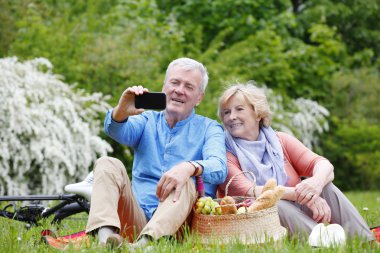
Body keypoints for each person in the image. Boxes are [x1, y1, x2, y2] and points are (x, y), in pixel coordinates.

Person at [86, 58, 227, 248]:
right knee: (107, 163)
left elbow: (219, 167)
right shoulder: (146, 119)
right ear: (164, 86)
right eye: (175, 82)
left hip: (179, 227)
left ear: (199, 97)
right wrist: (121, 111)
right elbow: (116, 130)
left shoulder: (210, 128)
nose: (179, 90)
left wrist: (189, 167)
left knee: (185, 180)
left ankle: (142, 247)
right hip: (136, 217)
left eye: (189, 86)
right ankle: (105, 242)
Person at [217, 82, 374, 242]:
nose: (231, 117)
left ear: (258, 114)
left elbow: (324, 165)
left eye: (239, 109)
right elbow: (249, 191)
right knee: (274, 203)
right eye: (226, 112)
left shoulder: (279, 141)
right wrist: (304, 195)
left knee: (326, 186)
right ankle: (327, 244)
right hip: (256, 221)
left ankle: (365, 242)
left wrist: (315, 184)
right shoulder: (222, 151)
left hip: (298, 210)